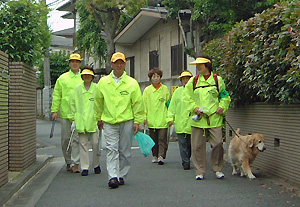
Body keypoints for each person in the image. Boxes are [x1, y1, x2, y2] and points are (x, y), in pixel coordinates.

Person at [94, 52, 144, 189]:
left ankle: (122, 174)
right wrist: (98, 118)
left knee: (125, 150)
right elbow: (98, 102)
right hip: (109, 120)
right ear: (111, 65)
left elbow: (138, 103)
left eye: (121, 62)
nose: (119, 65)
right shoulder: (103, 82)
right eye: (116, 62)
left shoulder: (132, 83)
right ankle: (113, 177)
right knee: (111, 149)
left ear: (125, 64)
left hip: (126, 120)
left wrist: (137, 121)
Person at [184, 55, 231, 180]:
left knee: (218, 144)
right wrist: (194, 108)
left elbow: (225, 96)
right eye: (197, 65)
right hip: (198, 119)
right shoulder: (193, 81)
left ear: (207, 66)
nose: (198, 67)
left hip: (214, 118)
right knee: (197, 146)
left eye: (200, 65)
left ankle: (217, 168)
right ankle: (200, 171)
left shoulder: (217, 80)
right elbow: (186, 98)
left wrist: (222, 107)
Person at [51, 53, 82, 173]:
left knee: (77, 139)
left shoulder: (83, 77)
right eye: (73, 61)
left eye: (77, 61)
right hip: (65, 114)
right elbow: (57, 95)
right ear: (69, 63)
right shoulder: (62, 78)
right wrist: (54, 110)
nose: (75, 63)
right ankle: (68, 161)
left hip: (79, 114)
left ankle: (75, 163)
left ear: (80, 63)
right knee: (65, 139)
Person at [69, 66, 101, 176]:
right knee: (83, 144)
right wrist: (73, 118)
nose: (87, 77)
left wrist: (100, 118)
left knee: (95, 143)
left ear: (92, 77)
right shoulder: (77, 89)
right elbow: (72, 104)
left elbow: (101, 103)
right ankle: (85, 167)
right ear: (82, 77)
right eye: (85, 75)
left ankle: (96, 164)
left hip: (94, 120)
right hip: (81, 121)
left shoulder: (97, 88)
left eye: (89, 75)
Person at [143, 68, 171, 165]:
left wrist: (170, 118)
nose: (156, 79)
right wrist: (144, 117)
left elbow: (169, 104)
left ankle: (161, 156)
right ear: (150, 78)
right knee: (153, 139)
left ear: (160, 78)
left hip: (163, 118)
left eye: (157, 76)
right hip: (151, 119)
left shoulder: (165, 89)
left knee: (162, 139)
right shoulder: (147, 90)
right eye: (153, 76)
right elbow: (144, 105)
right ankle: (154, 155)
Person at [167, 70, 193, 170]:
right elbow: (172, 106)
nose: (186, 81)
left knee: (190, 145)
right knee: (182, 144)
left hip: (192, 122)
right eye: (184, 79)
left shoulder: (194, 91)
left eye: (188, 78)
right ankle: (185, 162)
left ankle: (188, 157)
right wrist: (170, 118)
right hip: (180, 122)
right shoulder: (177, 92)